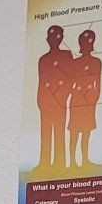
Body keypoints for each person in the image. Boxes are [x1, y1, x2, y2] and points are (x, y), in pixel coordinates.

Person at [36, 25, 74, 171]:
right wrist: (40, 100)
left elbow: (70, 78)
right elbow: (41, 81)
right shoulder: (43, 59)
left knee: (59, 131)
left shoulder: (66, 55)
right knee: (45, 133)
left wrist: (63, 96)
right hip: (45, 101)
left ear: (62, 38)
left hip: (59, 101)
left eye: (57, 36)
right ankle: (44, 163)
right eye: (52, 36)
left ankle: (59, 163)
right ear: (47, 39)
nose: (54, 39)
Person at [68, 28, 102, 170]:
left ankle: (85, 160)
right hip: (77, 99)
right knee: (75, 131)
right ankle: (72, 161)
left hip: (89, 99)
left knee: (86, 131)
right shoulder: (75, 63)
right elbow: (70, 83)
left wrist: (94, 98)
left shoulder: (97, 62)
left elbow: (98, 83)